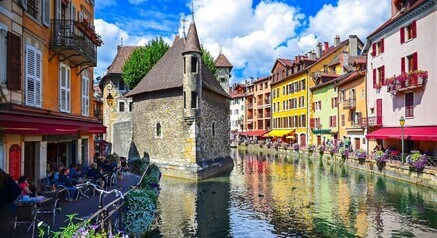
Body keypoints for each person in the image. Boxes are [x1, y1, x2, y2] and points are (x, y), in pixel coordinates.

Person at [0, 169, 22, 237]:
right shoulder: (7, 179)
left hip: (5, 207)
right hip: (8, 208)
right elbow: (17, 192)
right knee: (7, 230)